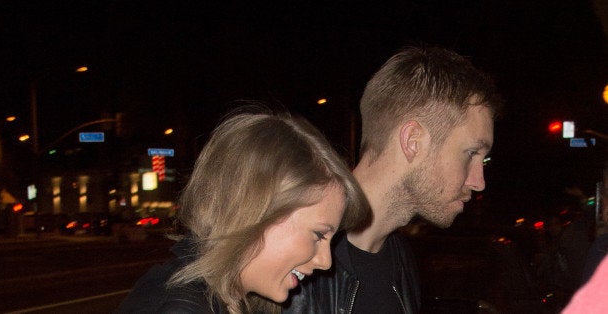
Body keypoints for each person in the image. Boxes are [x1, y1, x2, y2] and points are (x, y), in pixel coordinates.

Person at [284, 45, 503, 313]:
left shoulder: (402, 261)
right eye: (470, 153)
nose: (479, 182)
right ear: (413, 141)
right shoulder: (292, 256)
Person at [116, 108, 370, 314]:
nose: (325, 262)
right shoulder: (184, 307)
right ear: (259, 211)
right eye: (318, 235)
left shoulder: (229, 300)